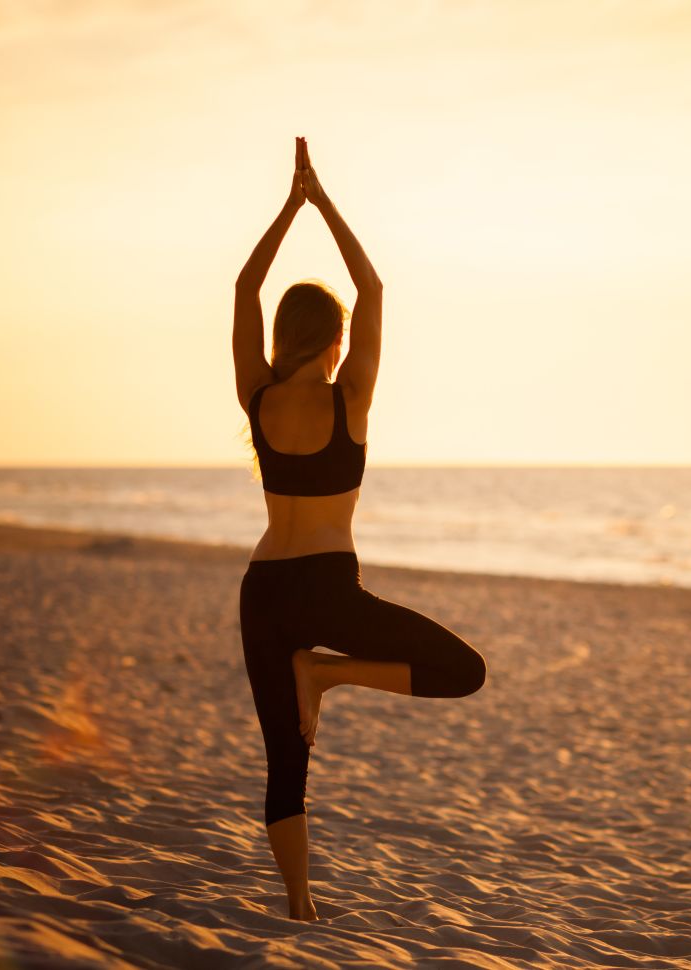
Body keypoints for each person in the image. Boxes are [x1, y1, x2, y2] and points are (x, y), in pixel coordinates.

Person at [233, 136, 487, 921]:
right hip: (328, 595)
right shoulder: (353, 400)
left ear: (286, 336)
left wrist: (287, 209)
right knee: (462, 670)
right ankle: (332, 674)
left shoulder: (259, 397)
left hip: (265, 590)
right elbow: (371, 283)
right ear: (336, 341)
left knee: (286, 759)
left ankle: (301, 907)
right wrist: (321, 201)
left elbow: (245, 286)